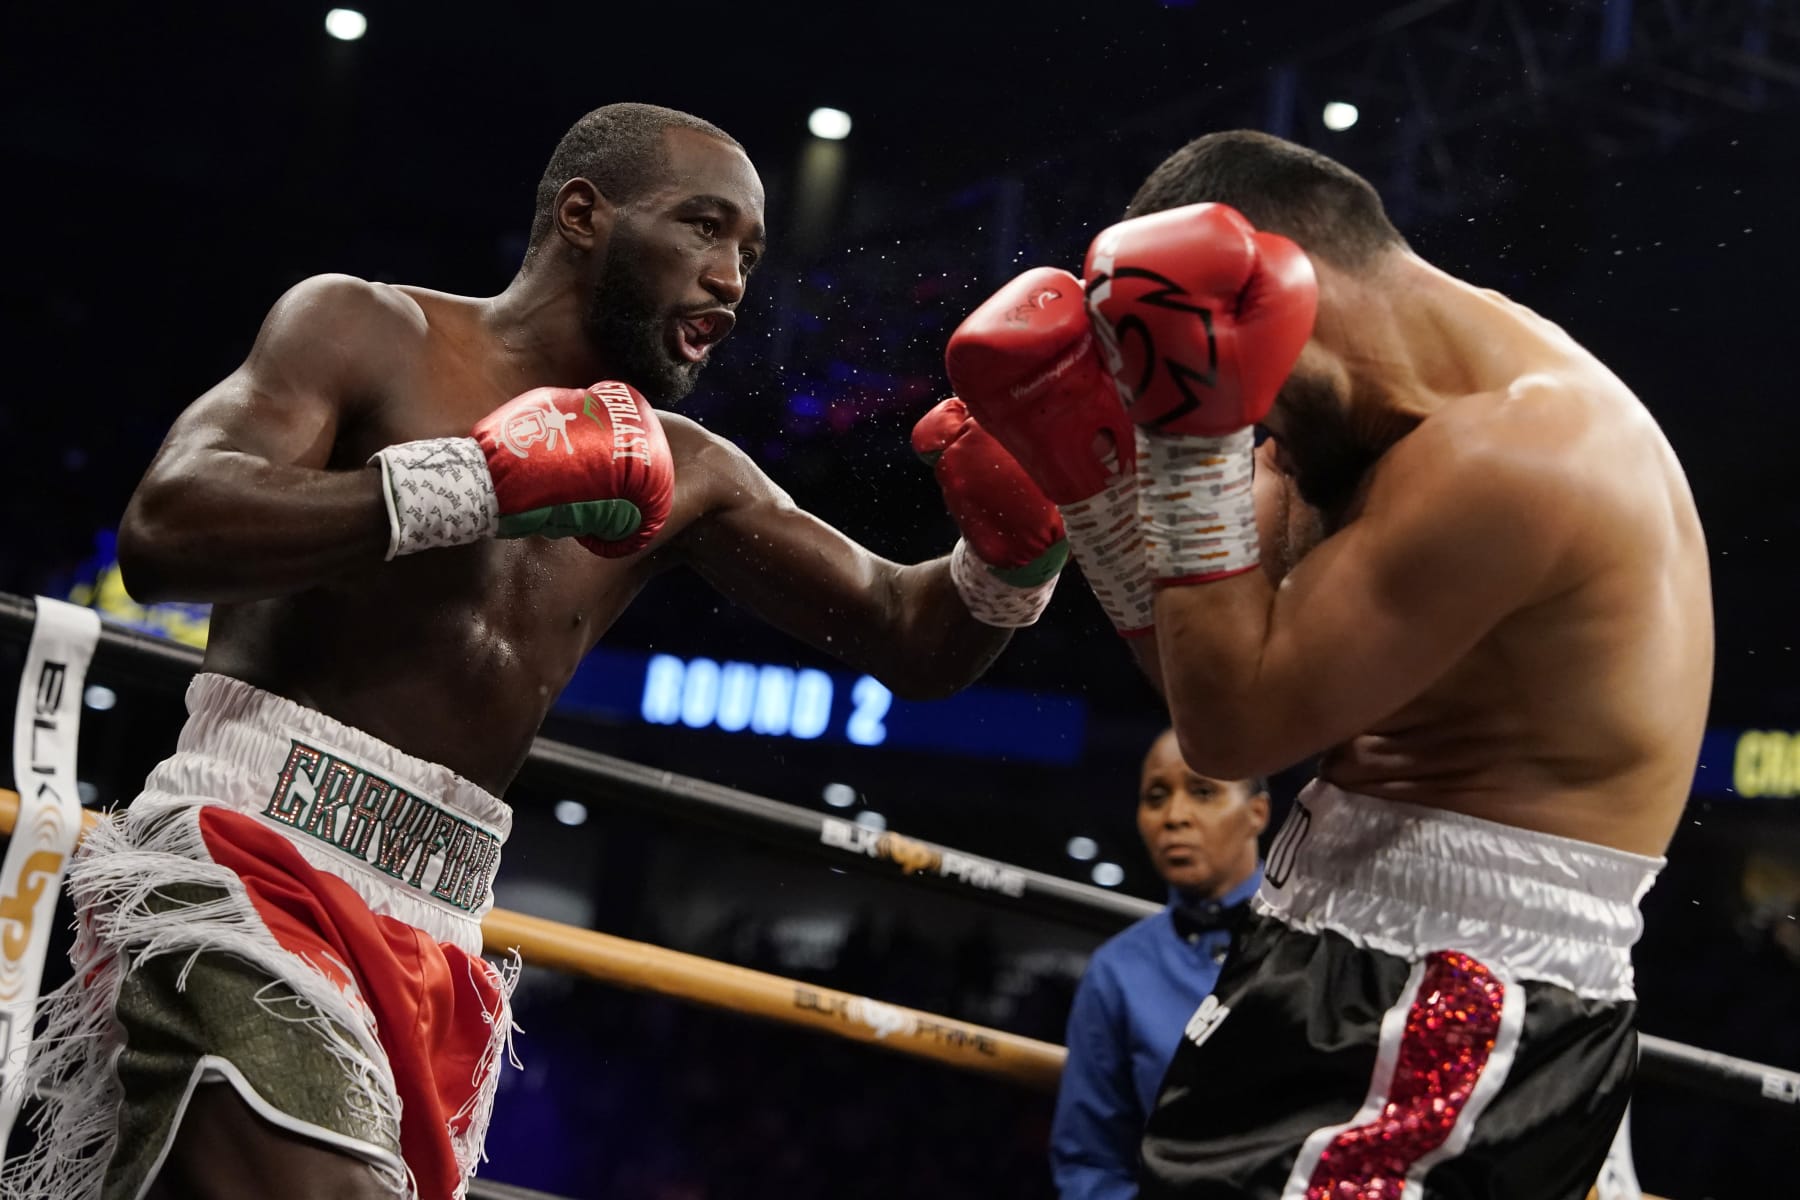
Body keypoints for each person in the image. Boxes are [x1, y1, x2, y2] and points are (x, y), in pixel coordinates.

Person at [2, 104, 1068, 1200]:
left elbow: (911, 632)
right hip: (250, 860)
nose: (732, 280)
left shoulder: (684, 466)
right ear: (582, 216)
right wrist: (476, 481)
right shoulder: (366, 330)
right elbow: (169, 532)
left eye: (750, 252)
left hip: (439, 937)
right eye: (704, 229)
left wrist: (1022, 544)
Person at [946, 130, 1709, 1199]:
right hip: (1324, 941)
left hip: (1460, 987)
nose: (1255, 442)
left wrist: (1182, 440)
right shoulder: (1328, 419)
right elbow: (1212, 680)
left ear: (1289, 288)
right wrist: (1094, 495)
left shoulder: (1519, 453)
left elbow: (1233, 736)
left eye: (1250, 409)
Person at [1051, 731, 1266, 1200]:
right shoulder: (1118, 971)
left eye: (1203, 791)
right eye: (1155, 797)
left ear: (1257, 813)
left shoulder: (1321, 939)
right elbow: (1091, 1162)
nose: (1175, 817)